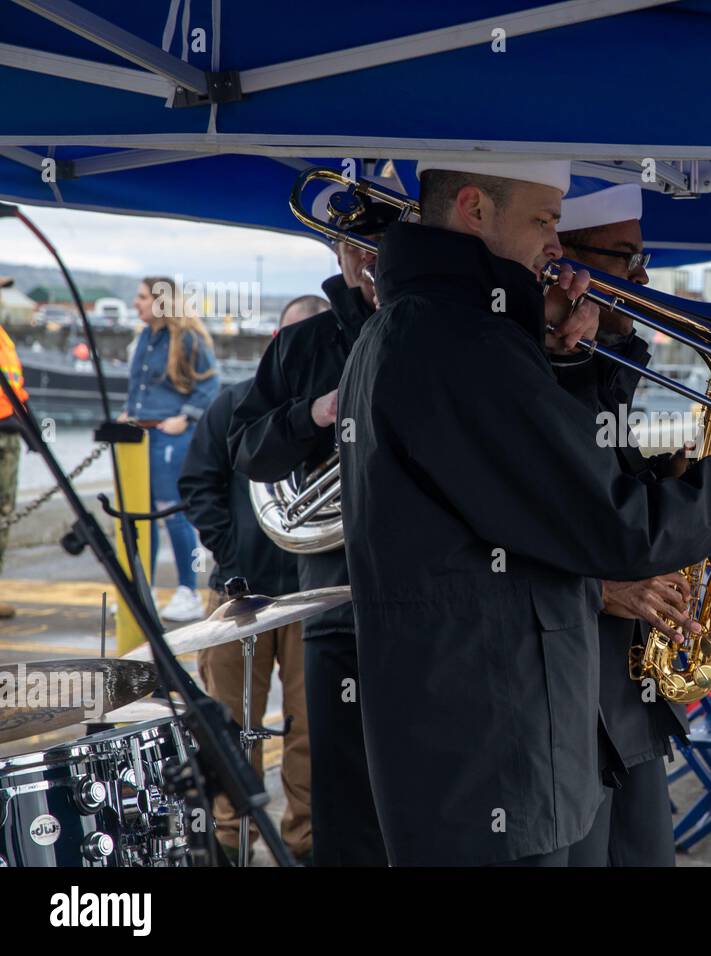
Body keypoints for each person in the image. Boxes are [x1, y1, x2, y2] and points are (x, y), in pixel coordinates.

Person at [336, 157, 711, 866]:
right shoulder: (463, 340)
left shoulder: (441, 328)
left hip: (486, 739)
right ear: (474, 208)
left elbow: (536, 498)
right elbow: (618, 525)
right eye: (543, 221)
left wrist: (561, 359)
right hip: (494, 746)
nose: (554, 247)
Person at [228, 173, 403, 867]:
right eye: (355, 245)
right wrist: (317, 413)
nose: (371, 259)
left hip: (442, 609)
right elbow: (247, 450)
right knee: (345, 809)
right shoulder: (303, 347)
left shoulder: (450, 333)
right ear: (335, 250)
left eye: (385, 242)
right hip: (336, 609)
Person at [553, 182, 690, 867]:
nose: (643, 278)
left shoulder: (600, 365)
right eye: (627, 258)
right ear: (564, 261)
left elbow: (600, 494)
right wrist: (601, 586)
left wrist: (669, 481)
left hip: (625, 690)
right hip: (566, 702)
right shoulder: (526, 369)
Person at [177, 294, 325, 865]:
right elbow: (198, 484)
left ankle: (305, 842)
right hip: (240, 596)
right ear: (275, 344)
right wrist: (231, 557)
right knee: (228, 725)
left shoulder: (340, 409)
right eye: (293, 341)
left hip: (313, 597)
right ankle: (229, 838)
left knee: (310, 732)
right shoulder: (233, 404)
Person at [123, 276, 220, 622]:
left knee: (173, 514)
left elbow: (210, 384)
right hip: (139, 438)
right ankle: (142, 586)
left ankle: (187, 591)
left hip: (169, 438)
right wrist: (128, 413)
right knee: (141, 515)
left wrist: (186, 417)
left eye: (143, 297)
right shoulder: (144, 338)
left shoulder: (188, 339)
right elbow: (139, 387)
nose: (136, 303)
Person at [0, 279, 28, 620]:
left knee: (4, 515)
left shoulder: (4, 337)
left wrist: (27, 423)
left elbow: (14, 385)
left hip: (8, 432)